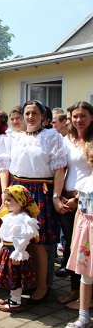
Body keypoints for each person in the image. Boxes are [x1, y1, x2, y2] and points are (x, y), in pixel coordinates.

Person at [8, 100, 67, 304]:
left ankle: (42, 286)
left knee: (39, 241)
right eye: (27, 113)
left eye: (34, 113)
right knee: (19, 239)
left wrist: (55, 196)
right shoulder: (16, 137)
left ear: (43, 116)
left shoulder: (52, 136)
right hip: (19, 190)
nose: (30, 117)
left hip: (40, 190)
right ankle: (24, 283)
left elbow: (59, 168)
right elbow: (10, 167)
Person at [59, 101, 93, 310]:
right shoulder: (67, 140)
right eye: (75, 116)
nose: (78, 120)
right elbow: (61, 169)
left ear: (91, 117)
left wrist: (77, 199)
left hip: (86, 202)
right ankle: (75, 291)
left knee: (87, 250)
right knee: (72, 249)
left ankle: (87, 298)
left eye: (83, 116)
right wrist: (58, 196)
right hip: (66, 199)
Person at [0, 185, 40, 312]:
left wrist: (18, 251)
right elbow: (5, 232)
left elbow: (23, 237)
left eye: (9, 200)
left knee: (15, 277)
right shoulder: (10, 215)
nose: (6, 203)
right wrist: (2, 244)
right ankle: (12, 298)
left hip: (14, 252)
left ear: (20, 201)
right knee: (9, 276)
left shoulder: (23, 219)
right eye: (5, 200)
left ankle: (15, 302)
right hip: (7, 250)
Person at [66, 142, 93, 328]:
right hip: (86, 234)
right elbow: (79, 212)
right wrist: (75, 236)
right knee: (85, 276)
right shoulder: (84, 183)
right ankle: (83, 316)